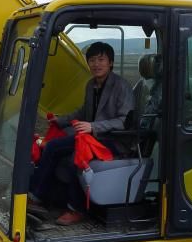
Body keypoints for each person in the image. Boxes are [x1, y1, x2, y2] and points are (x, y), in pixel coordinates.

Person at [29, 42, 135, 225]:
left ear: (110, 62)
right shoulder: (90, 85)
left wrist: (94, 127)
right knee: (53, 146)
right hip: (92, 138)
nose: (96, 64)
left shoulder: (121, 86)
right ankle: (38, 196)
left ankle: (76, 209)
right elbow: (82, 112)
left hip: (113, 140)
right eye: (92, 60)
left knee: (77, 157)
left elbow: (124, 121)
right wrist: (60, 120)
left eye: (101, 59)